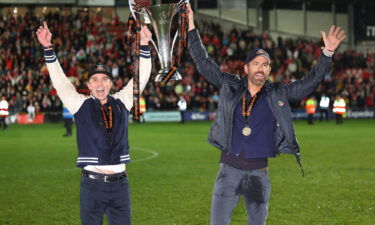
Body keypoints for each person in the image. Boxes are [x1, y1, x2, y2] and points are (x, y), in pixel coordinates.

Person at [187, 5, 345, 225]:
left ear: (269, 70)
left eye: (265, 65)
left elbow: (308, 84)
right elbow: (204, 63)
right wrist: (190, 27)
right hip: (227, 172)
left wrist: (327, 54)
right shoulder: (230, 86)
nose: (260, 68)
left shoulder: (277, 92)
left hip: (258, 175)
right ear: (246, 68)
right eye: (256, 64)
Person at [36, 21, 152, 225]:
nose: (100, 84)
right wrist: (48, 48)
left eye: (104, 79)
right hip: (91, 186)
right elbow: (61, 83)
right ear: (88, 85)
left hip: (120, 186)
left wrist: (144, 45)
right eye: (95, 79)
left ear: (111, 83)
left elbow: (140, 78)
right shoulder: (79, 104)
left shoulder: (122, 101)